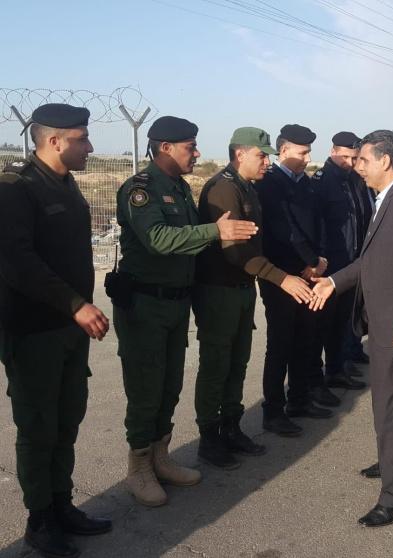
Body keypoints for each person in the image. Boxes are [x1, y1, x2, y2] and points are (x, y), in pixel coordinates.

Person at [113, 116, 258, 507]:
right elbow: (159, 239)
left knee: (169, 386)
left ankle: (161, 457)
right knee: (145, 389)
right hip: (145, 304)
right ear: (165, 148)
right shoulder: (140, 189)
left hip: (177, 303)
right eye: (190, 147)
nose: (197, 153)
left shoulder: (178, 188)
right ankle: (139, 466)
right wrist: (215, 232)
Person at [0, 103, 112, 558]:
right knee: (38, 426)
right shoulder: (16, 188)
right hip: (34, 331)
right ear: (53, 141)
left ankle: (62, 505)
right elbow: (18, 263)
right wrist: (76, 304)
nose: (90, 147)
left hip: (68, 329)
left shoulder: (66, 183)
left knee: (67, 420)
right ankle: (40, 519)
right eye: (81, 139)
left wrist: (78, 311)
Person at [311, 130, 393, 527]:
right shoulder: (385, 197)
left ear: (384, 161)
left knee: (387, 404)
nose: (358, 167)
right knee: (388, 401)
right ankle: (392, 460)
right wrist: (333, 282)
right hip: (382, 319)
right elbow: (371, 260)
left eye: (363, 160)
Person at [193, 127, 315, 469]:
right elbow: (235, 252)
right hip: (220, 291)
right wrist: (282, 278)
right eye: (261, 156)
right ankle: (209, 437)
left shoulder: (246, 187)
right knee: (216, 366)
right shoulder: (223, 189)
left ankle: (231, 428)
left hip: (242, 289)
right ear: (240, 154)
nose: (267, 162)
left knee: (237, 364)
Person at [254, 124, 333, 437]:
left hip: (310, 273)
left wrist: (319, 261)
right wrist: (310, 262)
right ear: (283, 150)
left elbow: (319, 224)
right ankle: (273, 411)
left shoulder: (306, 184)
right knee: (281, 343)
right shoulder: (270, 184)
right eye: (302, 152)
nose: (307, 158)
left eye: (309, 152)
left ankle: (300, 400)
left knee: (306, 339)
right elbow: (284, 230)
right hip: (283, 276)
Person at [311, 131, 371, 391]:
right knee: (324, 326)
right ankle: (321, 378)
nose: (350, 162)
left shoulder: (353, 181)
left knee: (343, 322)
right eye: (345, 157)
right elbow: (318, 225)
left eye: (354, 158)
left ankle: (338, 368)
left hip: (350, 261)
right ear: (333, 152)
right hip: (331, 264)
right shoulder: (323, 181)